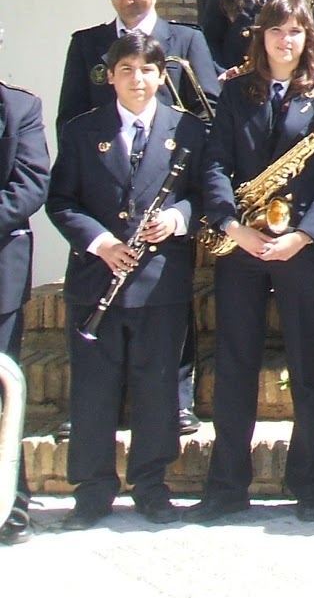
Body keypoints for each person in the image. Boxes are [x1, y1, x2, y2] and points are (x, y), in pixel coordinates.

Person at [189, 0, 314, 524]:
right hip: (244, 245)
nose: (285, 40)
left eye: (296, 32)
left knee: (307, 367)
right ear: (262, 37)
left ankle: (309, 484)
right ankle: (226, 486)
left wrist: (303, 237)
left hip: (297, 248)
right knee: (234, 366)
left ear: (308, 40)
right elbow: (213, 165)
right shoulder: (235, 93)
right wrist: (233, 226)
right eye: (276, 31)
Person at [47, 32, 208, 529]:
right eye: (126, 70)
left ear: (162, 75)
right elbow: (62, 203)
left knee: (158, 387)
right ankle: (92, 491)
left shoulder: (189, 130)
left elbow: (206, 195)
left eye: (146, 70)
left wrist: (178, 218)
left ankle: (151, 485)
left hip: (160, 282)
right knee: (94, 390)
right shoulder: (80, 131)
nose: (137, 80)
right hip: (98, 280)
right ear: (111, 76)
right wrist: (101, 243)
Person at [59, 0, 221, 135]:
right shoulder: (85, 44)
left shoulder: (187, 40)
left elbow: (208, 113)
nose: (127, 0)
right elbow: (70, 120)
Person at [0, 68, 51, 545]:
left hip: (0, 276)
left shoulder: (21, 108)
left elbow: (32, 184)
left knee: (4, 398)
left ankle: (8, 504)